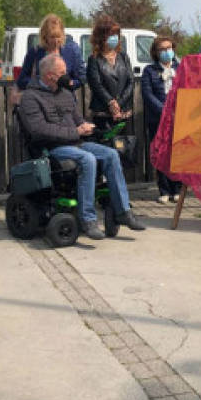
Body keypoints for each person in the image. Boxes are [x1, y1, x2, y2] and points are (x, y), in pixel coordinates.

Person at [20, 54, 145, 239]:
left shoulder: (65, 94)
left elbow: (78, 120)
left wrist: (88, 128)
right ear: (49, 75)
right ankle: (88, 219)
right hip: (51, 147)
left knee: (111, 154)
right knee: (87, 159)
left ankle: (123, 212)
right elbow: (38, 130)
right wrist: (76, 132)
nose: (67, 77)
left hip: (76, 142)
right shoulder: (31, 97)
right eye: (62, 73)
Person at [141, 35, 181, 203]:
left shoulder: (181, 68)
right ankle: (164, 190)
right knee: (161, 153)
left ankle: (177, 189)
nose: (166, 52)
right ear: (156, 52)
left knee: (177, 154)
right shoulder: (149, 70)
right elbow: (147, 94)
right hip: (157, 119)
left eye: (169, 48)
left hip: (178, 118)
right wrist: (164, 111)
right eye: (162, 49)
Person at [86, 15, 134, 133]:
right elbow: (96, 85)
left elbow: (130, 81)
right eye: (110, 35)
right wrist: (111, 103)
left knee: (125, 148)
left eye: (116, 35)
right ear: (101, 38)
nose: (114, 38)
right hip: (103, 113)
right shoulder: (94, 59)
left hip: (124, 113)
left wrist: (119, 103)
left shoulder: (123, 56)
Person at [16, 13, 86, 91]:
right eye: (52, 37)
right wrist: (41, 83)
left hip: (65, 98)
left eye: (58, 36)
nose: (56, 41)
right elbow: (21, 80)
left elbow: (81, 78)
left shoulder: (72, 50)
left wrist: (69, 83)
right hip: (40, 98)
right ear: (45, 36)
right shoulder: (34, 52)